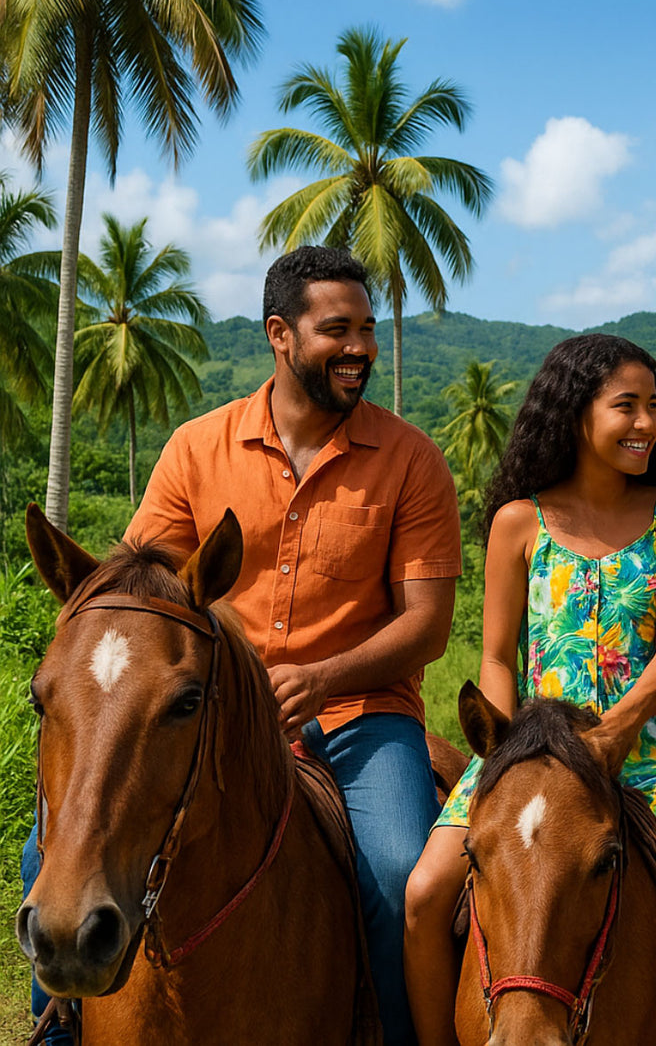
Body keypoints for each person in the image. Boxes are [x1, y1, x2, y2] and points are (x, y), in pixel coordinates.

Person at [93, 245, 459, 1046]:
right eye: (338, 329)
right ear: (280, 335)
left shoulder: (411, 461)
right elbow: (140, 591)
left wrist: (324, 676)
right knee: (47, 854)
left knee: (400, 874)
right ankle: (61, 1026)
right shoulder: (196, 449)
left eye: (367, 328)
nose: (360, 346)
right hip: (207, 716)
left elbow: (426, 624)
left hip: (365, 717)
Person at [403, 333, 656, 1046]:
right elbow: (497, 654)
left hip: (650, 744)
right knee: (424, 891)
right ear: (573, 412)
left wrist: (613, 733)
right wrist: (498, 742)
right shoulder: (516, 523)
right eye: (627, 405)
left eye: (654, 406)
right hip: (527, 747)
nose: (648, 422)